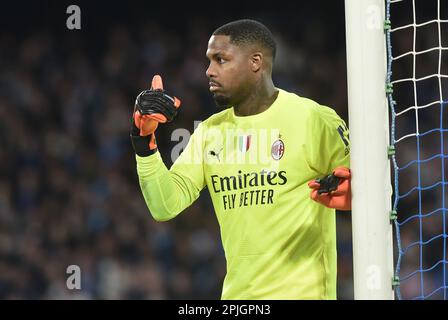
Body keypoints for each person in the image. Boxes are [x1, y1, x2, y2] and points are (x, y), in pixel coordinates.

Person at [130, 19, 351, 299]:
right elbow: (164, 205)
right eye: (209, 61)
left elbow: (369, 189)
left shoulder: (314, 120)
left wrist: (355, 193)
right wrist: (143, 142)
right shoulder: (210, 132)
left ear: (255, 62)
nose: (209, 71)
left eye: (220, 60)